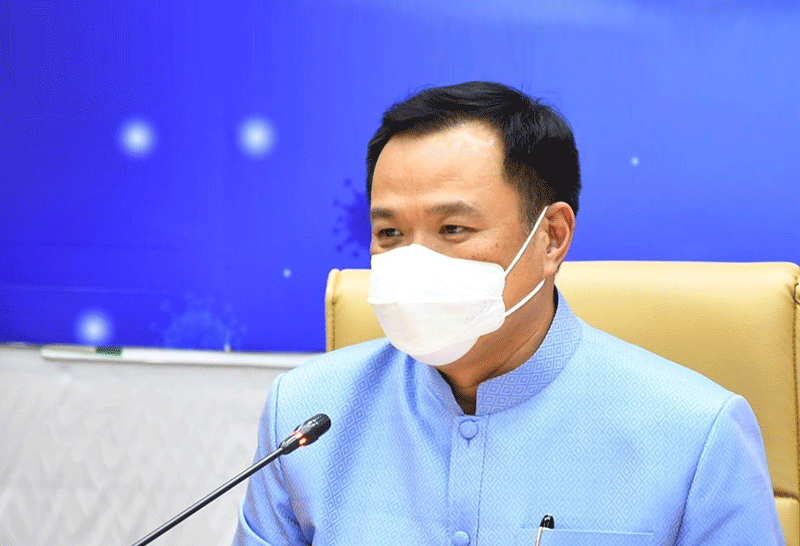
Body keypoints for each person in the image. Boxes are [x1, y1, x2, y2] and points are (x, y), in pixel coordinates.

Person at [233, 82, 785, 545]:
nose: (413, 260)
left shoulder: (696, 435)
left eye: (453, 228)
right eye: (390, 233)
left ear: (552, 237)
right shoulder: (305, 418)